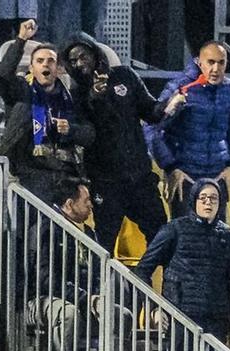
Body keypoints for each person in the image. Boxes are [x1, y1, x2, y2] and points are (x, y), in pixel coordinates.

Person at [63, 33, 173, 251]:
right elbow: (86, 131)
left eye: (82, 56)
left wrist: (169, 105)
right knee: (104, 243)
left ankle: (144, 278)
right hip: (106, 181)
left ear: (94, 54)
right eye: (73, 61)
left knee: (161, 234)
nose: (79, 63)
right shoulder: (75, 94)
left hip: (140, 177)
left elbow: (150, 111)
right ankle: (105, 285)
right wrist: (95, 96)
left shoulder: (124, 76)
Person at [0, 29, 93, 203]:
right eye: (40, 61)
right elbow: (3, 76)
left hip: (65, 177)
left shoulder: (70, 99)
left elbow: (89, 134)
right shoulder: (22, 92)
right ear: (32, 68)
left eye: (51, 61)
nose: (45, 65)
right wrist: (21, 40)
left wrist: (72, 130)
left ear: (59, 68)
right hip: (32, 176)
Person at [132, 177, 230, 337]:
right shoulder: (174, 229)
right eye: (203, 198)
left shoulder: (227, 234)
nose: (208, 202)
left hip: (216, 319)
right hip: (179, 317)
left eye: (213, 198)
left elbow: (226, 278)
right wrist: (154, 308)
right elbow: (142, 270)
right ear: (194, 200)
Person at [150, 42, 230, 216]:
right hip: (185, 175)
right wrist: (171, 167)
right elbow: (154, 129)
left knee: (218, 234)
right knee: (185, 234)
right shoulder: (180, 87)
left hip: (217, 174)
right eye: (211, 62)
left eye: (221, 62)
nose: (216, 68)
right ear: (200, 62)